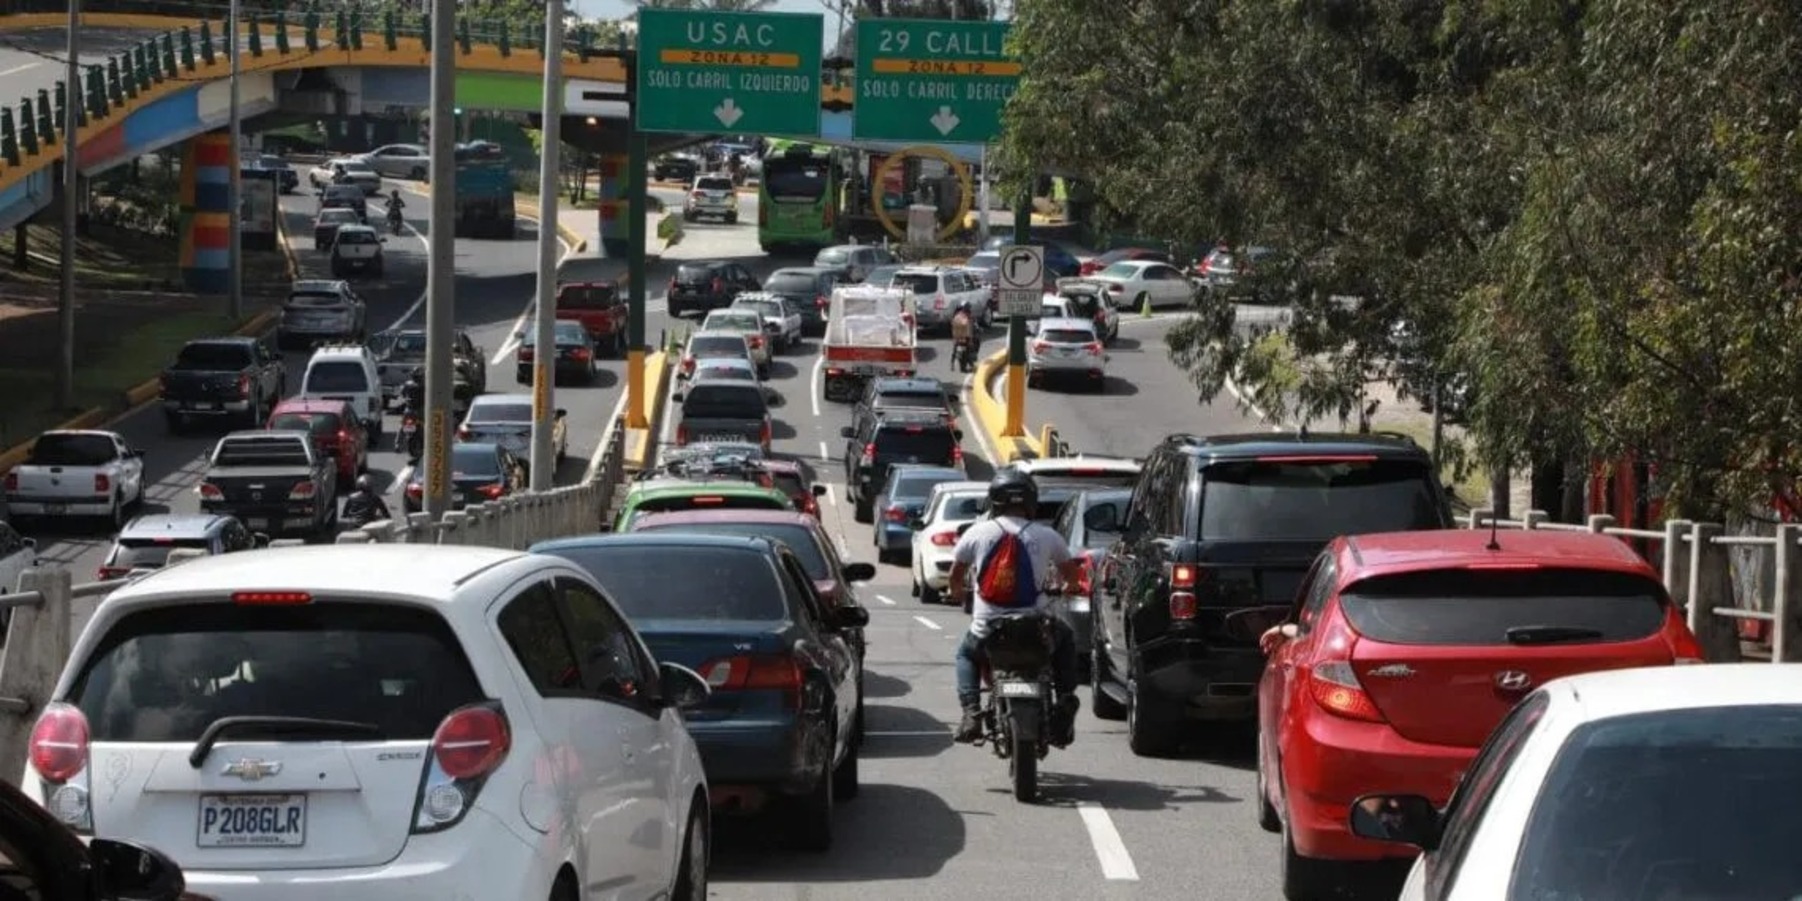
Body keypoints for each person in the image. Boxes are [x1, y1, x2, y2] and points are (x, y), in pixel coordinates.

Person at [947, 468, 1085, 744]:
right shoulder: (1047, 535)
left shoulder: (977, 533)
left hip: (988, 628)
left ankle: (971, 712)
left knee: (965, 655)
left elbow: (956, 574)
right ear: (1030, 501)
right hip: (1037, 626)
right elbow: (1072, 575)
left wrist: (957, 593)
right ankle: (1066, 701)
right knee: (1066, 640)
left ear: (994, 500)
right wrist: (1069, 587)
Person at [949, 302, 977, 371]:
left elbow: (953, 325)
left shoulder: (957, 315)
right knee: (970, 348)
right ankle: (971, 364)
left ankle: (952, 364)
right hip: (964, 337)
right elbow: (969, 328)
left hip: (957, 337)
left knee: (955, 349)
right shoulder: (966, 316)